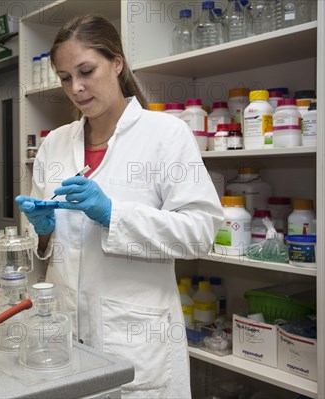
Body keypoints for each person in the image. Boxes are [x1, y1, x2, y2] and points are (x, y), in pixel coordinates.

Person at [15, 15, 223, 398]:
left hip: (135, 338)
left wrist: (114, 215)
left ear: (116, 63)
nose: (76, 88)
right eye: (65, 77)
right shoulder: (55, 144)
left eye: (86, 71)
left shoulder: (165, 135)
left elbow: (200, 234)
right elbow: (44, 251)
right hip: (64, 333)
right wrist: (42, 232)